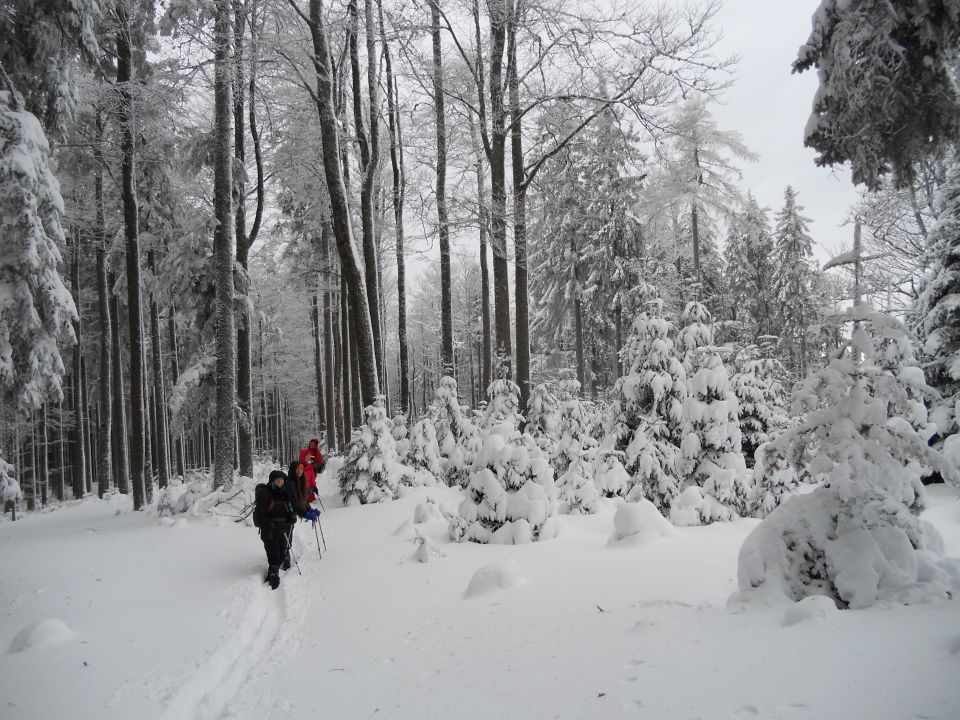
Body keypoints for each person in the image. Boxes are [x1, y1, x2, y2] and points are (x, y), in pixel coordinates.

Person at [253, 470, 319, 590]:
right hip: (270, 532)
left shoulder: (286, 492)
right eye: (278, 479)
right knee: (274, 556)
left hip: (283, 529)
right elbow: (259, 517)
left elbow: (294, 506)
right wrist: (271, 523)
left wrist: (297, 515)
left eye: (282, 479)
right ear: (272, 481)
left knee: (283, 554)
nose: (280, 481)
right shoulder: (266, 495)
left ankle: (275, 569)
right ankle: (273, 574)